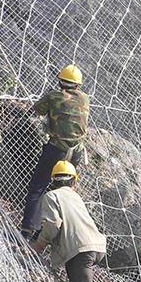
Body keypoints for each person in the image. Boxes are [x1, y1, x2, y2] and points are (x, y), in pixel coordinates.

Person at [31, 161, 114, 282]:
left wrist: (38, 247)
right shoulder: (75, 196)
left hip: (79, 251)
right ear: (73, 182)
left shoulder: (51, 196)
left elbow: (53, 225)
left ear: (53, 181)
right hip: (93, 245)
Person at [20, 64, 90, 240]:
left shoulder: (54, 96)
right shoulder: (85, 99)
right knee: (64, 193)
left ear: (60, 81)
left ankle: (28, 231)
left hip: (56, 150)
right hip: (76, 152)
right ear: (78, 85)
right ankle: (60, 236)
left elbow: (35, 111)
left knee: (38, 187)